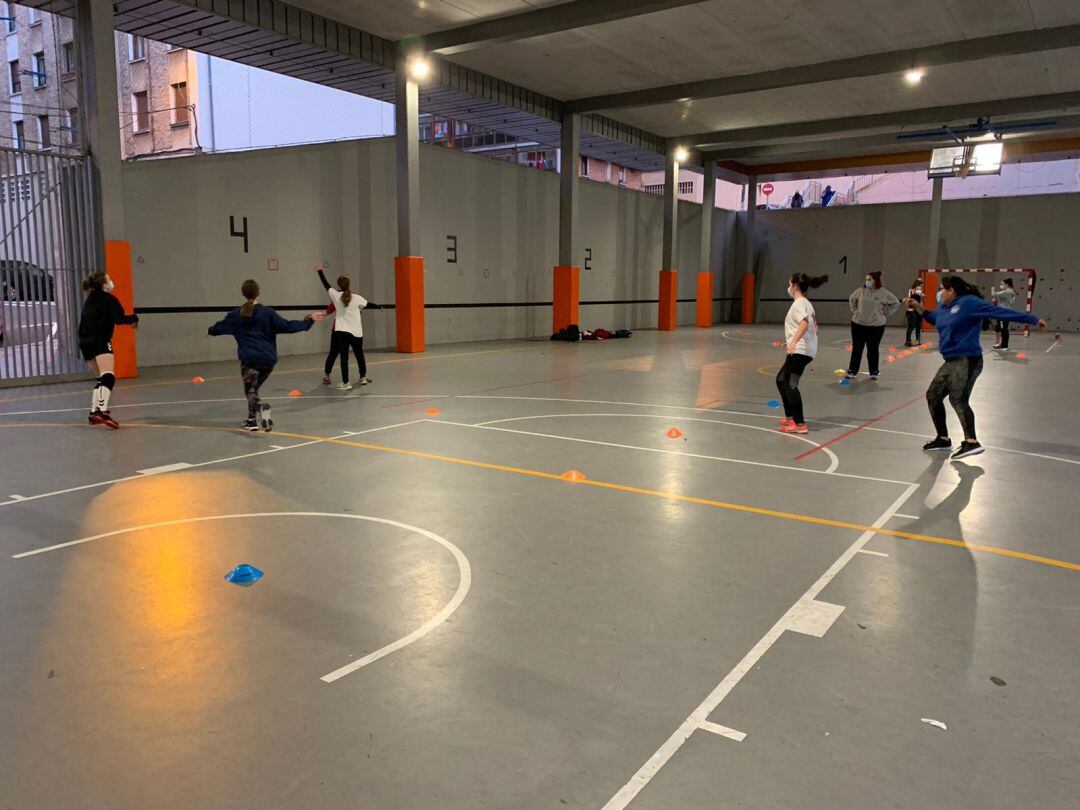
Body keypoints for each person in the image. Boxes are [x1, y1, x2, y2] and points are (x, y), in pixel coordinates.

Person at [906, 275, 1046, 460]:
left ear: (951, 291)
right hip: (950, 360)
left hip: (968, 358)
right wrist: (918, 307)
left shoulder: (970, 303)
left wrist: (1033, 319)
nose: (940, 292)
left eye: (942, 289)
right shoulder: (943, 307)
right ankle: (943, 439)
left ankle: (971, 442)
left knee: (958, 398)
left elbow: (1000, 313)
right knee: (933, 395)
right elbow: (934, 318)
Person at [208, 279, 322, 431]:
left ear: (243, 294)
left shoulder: (235, 315)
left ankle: (261, 408)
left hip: (249, 360)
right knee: (252, 390)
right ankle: (251, 421)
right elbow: (288, 326)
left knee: (250, 391)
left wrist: (211, 330)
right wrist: (308, 322)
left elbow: (216, 329)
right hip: (268, 361)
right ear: (258, 293)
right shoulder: (268, 314)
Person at [78, 271, 139, 429]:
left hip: (85, 342)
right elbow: (119, 319)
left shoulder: (89, 300)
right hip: (100, 340)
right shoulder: (109, 299)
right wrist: (134, 318)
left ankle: (93, 413)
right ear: (104, 284)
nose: (112, 282)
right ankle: (102, 411)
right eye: (109, 280)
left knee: (100, 379)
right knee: (108, 377)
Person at [776, 272, 828, 434]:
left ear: (795, 286)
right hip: (803, 349)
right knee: (781, 380)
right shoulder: (806, 303)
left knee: (790, 384)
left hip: (800, 351)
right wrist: (792, 339)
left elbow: (804, 324)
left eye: (790, 283)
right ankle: (790, 417)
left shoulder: (799, 303)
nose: (789, 287)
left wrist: (794, 341)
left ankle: (799, 424)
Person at [316, 268, 381, 390]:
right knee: (358, 354)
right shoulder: (357, 298)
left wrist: (320, 271)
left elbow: (326, 285)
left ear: (338, 286)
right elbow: (368, 304)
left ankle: (346, 382)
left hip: (342, 332)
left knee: (343, 357)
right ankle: (363, 377)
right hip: (356, 332)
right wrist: (379, 307)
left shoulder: (336, 296)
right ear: (349, 284)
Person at [846, 270, 900, 381]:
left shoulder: (884, 293)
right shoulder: (861, 291)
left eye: (869, 279)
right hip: (858, 324)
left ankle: (874, 372)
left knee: (873, 349)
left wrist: (885, 313)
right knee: (857, 348)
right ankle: (852, 371)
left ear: (875, 281)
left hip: (876, 326)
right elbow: (852, 299)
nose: (867, 281)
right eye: (866, 279)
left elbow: (896, 303)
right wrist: (855, 310)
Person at [990, 278, 1018, 350]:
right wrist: (996, 301)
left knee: (1003, 328)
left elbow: (994, 294)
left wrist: (992, 289)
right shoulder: (1009, 292)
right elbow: (1001, 300)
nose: (1001, 286)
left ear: (1007, 284)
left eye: (1002, 284)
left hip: (1003, 312)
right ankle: (1001, 344)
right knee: (1000, 327)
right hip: (1004, 311)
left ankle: (1004, 345)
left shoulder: (1007, 292)